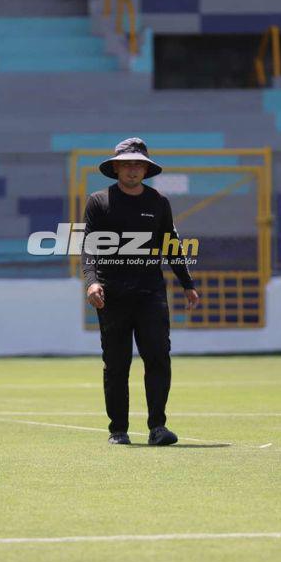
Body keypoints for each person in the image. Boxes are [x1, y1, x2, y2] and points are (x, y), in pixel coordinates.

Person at [82, 138, 200, 446]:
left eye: (138, 164)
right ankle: (118, 430)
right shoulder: (99, 201)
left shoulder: (158, 202)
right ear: (116, 168)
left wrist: (187, 283)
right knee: (117, 364)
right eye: (126, 164)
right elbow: (89, 246)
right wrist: (92, 281)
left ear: (146, 169)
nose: (132, 169)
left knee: (158, 357)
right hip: (112, 296)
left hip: (150, 295)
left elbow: (171, 244)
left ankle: (158, 427)